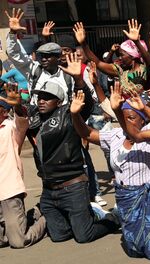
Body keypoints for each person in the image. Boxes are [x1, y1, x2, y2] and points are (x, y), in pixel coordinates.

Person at [70, 84, 150, 259]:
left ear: (142, 120)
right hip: (126, 198)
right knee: (134, 248)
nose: (127, 123)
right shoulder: (115, 136)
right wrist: (75, 115)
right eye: (123, 118)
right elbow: (87, 134)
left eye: (131, 118)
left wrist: (145, 107)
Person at [28, 53, 119, 243]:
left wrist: (79, 80)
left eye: (47, 98)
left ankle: (110, 217)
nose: (41, 101)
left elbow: (84, 103)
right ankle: (84, 214)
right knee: (59, 236)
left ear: (59, 101)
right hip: (49, 190)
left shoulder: (69, 115)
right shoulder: (35, 119)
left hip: (72, 187)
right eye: (40, 98)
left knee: (83, 236)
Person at [0, 83, 46, 248]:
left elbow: (22, 123)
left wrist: (18, 106)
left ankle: (48, 215)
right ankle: (26, 217)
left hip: (9, 191)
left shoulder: (10, 128)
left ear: (4, 112)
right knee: (3, 240)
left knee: (19, 241)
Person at [5, 9, 73, 105]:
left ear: (58, 58)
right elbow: (14, 54)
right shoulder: (34, 70)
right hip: (37, 119)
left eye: (48, 56)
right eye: (42, 56)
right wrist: (12, 34)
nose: (44, 59)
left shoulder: (68, 76)